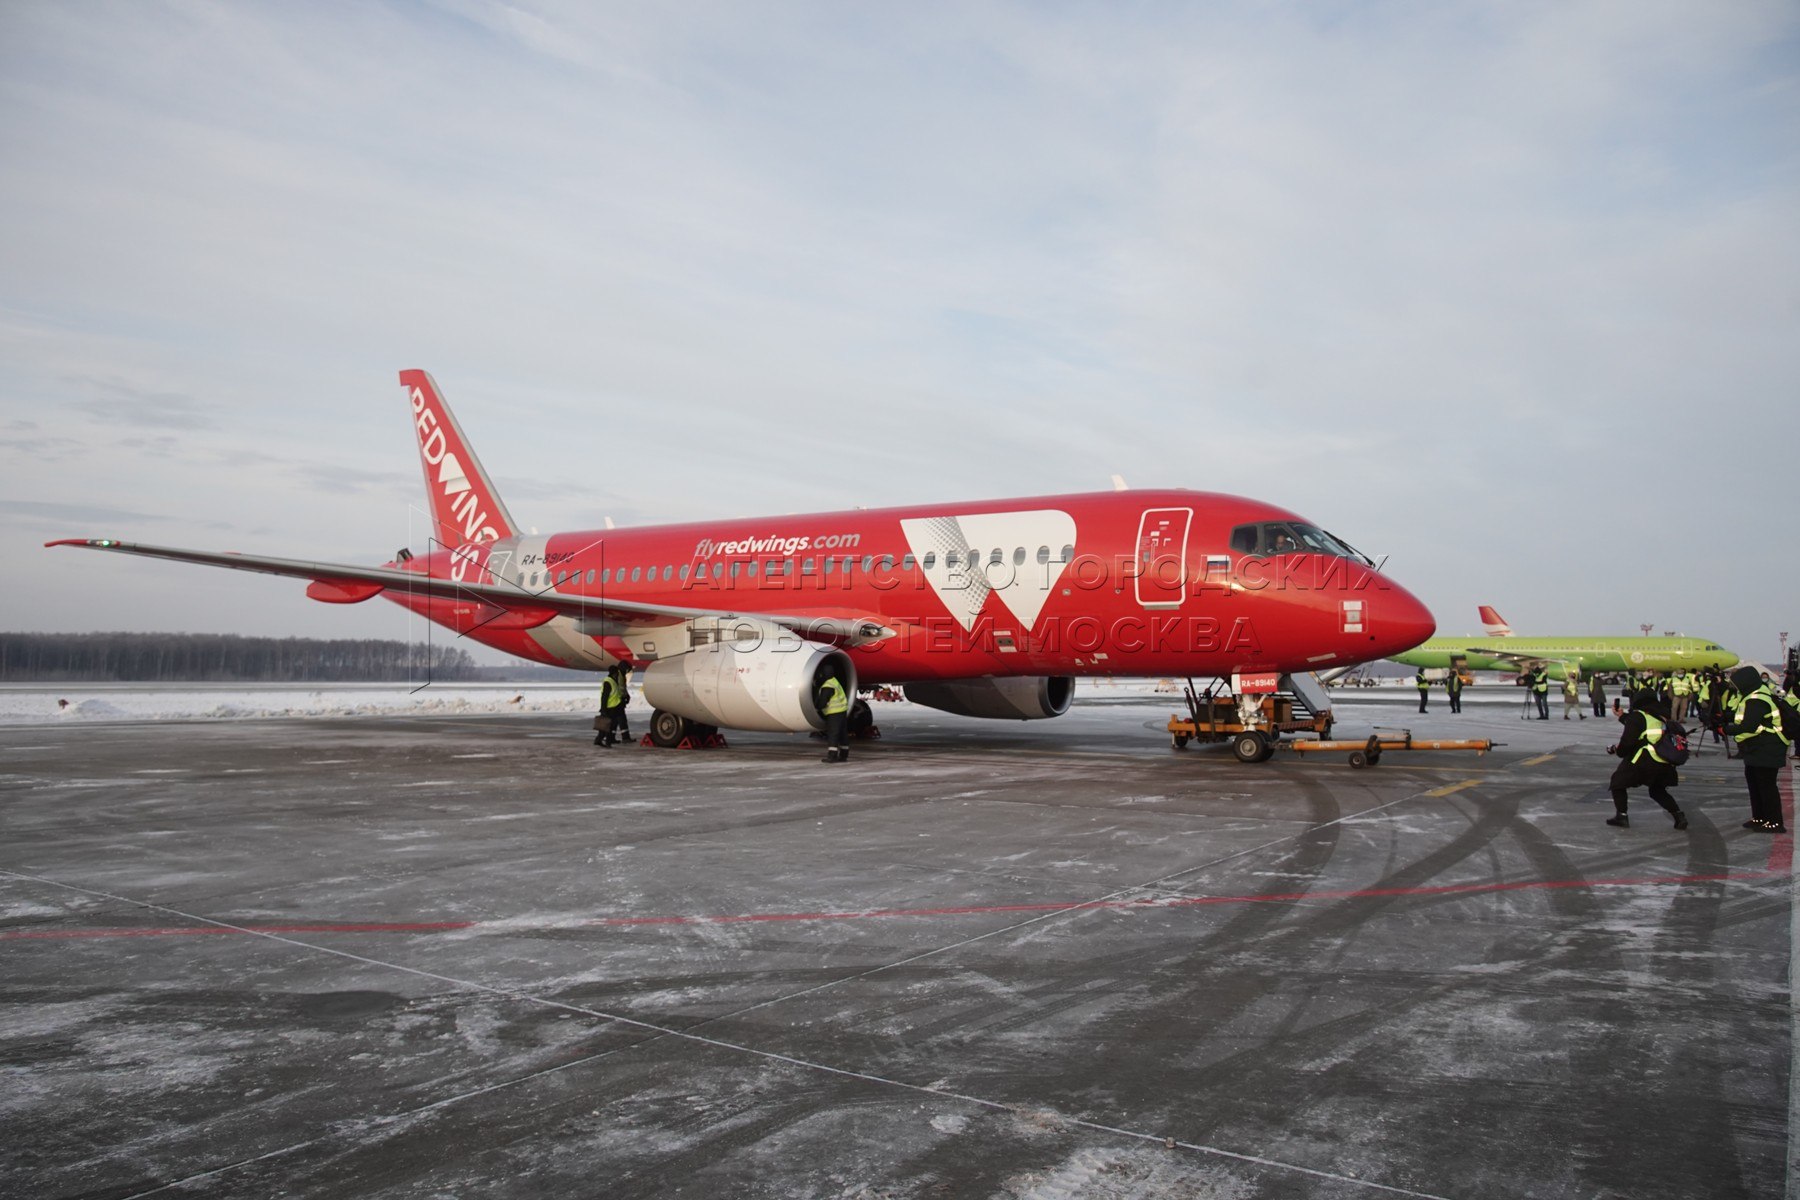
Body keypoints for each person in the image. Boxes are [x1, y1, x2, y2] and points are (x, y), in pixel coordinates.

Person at [1604, 690, 1688, 830]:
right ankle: (1679, 816)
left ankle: (1622, 816)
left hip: (1644, 761)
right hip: (1664, 761)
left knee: (1617, 782)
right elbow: (1643, 726)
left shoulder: (1639, 715)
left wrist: (1618, 751)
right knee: (1657, 790)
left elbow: (1628, 741)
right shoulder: (1662, 716)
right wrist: (1621, 716)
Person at [1726, 665, 1790, 832]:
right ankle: (1760, 817)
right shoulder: (1751, 695)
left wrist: (1725, 729)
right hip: (1757, 747)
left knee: (1766, 785)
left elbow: (1749, 725)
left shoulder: (1758, 699)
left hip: (1768, 747)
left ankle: (1775, 822)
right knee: (1754, 782)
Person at [594, 660, 632, 748]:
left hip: (615, 706)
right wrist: (603, 709)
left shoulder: (613, 681)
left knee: (611, 725)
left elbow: (618, 692)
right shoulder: (609, 682)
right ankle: (603, 740)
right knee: (607, 725)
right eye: (616, 674)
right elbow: (604, 697)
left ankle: (606, 740)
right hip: (610, 707)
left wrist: (624, 698)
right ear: (614, 673)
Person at [818, 671, 851, 763]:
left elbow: (822, 703)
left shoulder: (827, 686)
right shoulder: (835, 681)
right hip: (842, 711)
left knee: (833, 733)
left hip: (834, 713)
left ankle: (832, 756)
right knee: (842, 733)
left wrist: (817, 708)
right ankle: (844, 755)